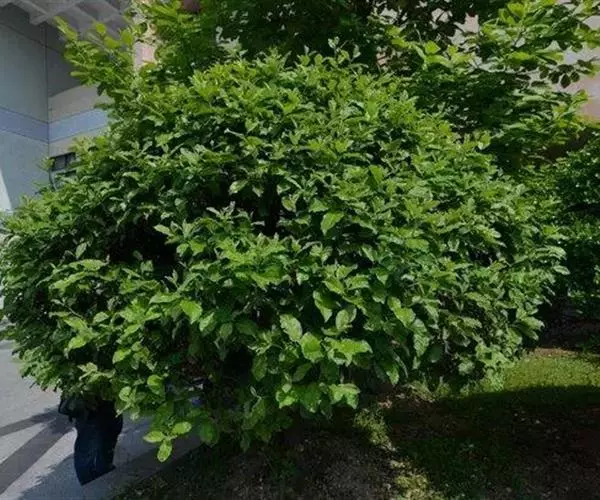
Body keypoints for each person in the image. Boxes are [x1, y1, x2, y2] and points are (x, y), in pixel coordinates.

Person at [59, 396, 123, 485]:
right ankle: (90, 485)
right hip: (90, 410)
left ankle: (104, 474)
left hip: (106, 407)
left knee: (106, 442)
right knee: (87, 452)